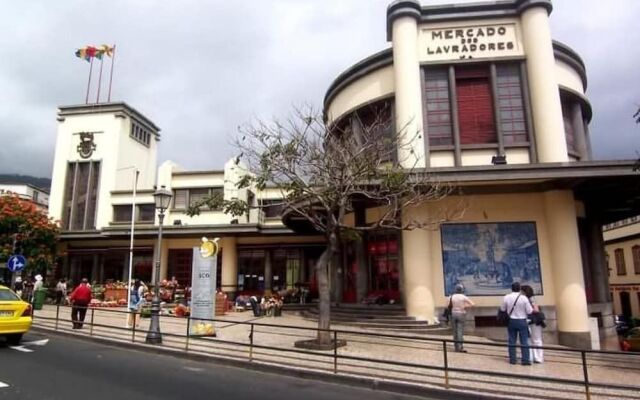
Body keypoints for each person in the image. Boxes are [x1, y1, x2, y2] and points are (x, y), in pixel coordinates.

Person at [500, 282, 533, 365]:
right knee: (524, 341)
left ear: (511, 288)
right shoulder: (524, 298)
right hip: (522, 320)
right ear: (519, 289)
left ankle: (513, 359)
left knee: (511, 340)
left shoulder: (506, 297)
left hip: (511, 321)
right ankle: (525, 360)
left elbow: (502, 309)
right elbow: (529, 311)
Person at [522, 284, 544, 363]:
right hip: (530, 321)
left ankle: (539, 357)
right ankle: (535, 357)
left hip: (534, 321)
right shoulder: (527, 299)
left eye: (522, 291)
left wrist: (529, 310)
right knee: (531, 339)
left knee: (536, 339)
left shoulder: (531, 299)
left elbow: (536, 309)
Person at [449, 283, 475, 353]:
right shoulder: (463, 297)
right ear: (462, 290)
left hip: (453, 313)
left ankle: (456, 347)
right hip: (461, 313)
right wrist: (464, 306)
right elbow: (472, 304)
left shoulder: (452, 296)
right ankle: (460, 347)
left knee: (454, 331)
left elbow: (446, 305)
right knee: (460, 331)